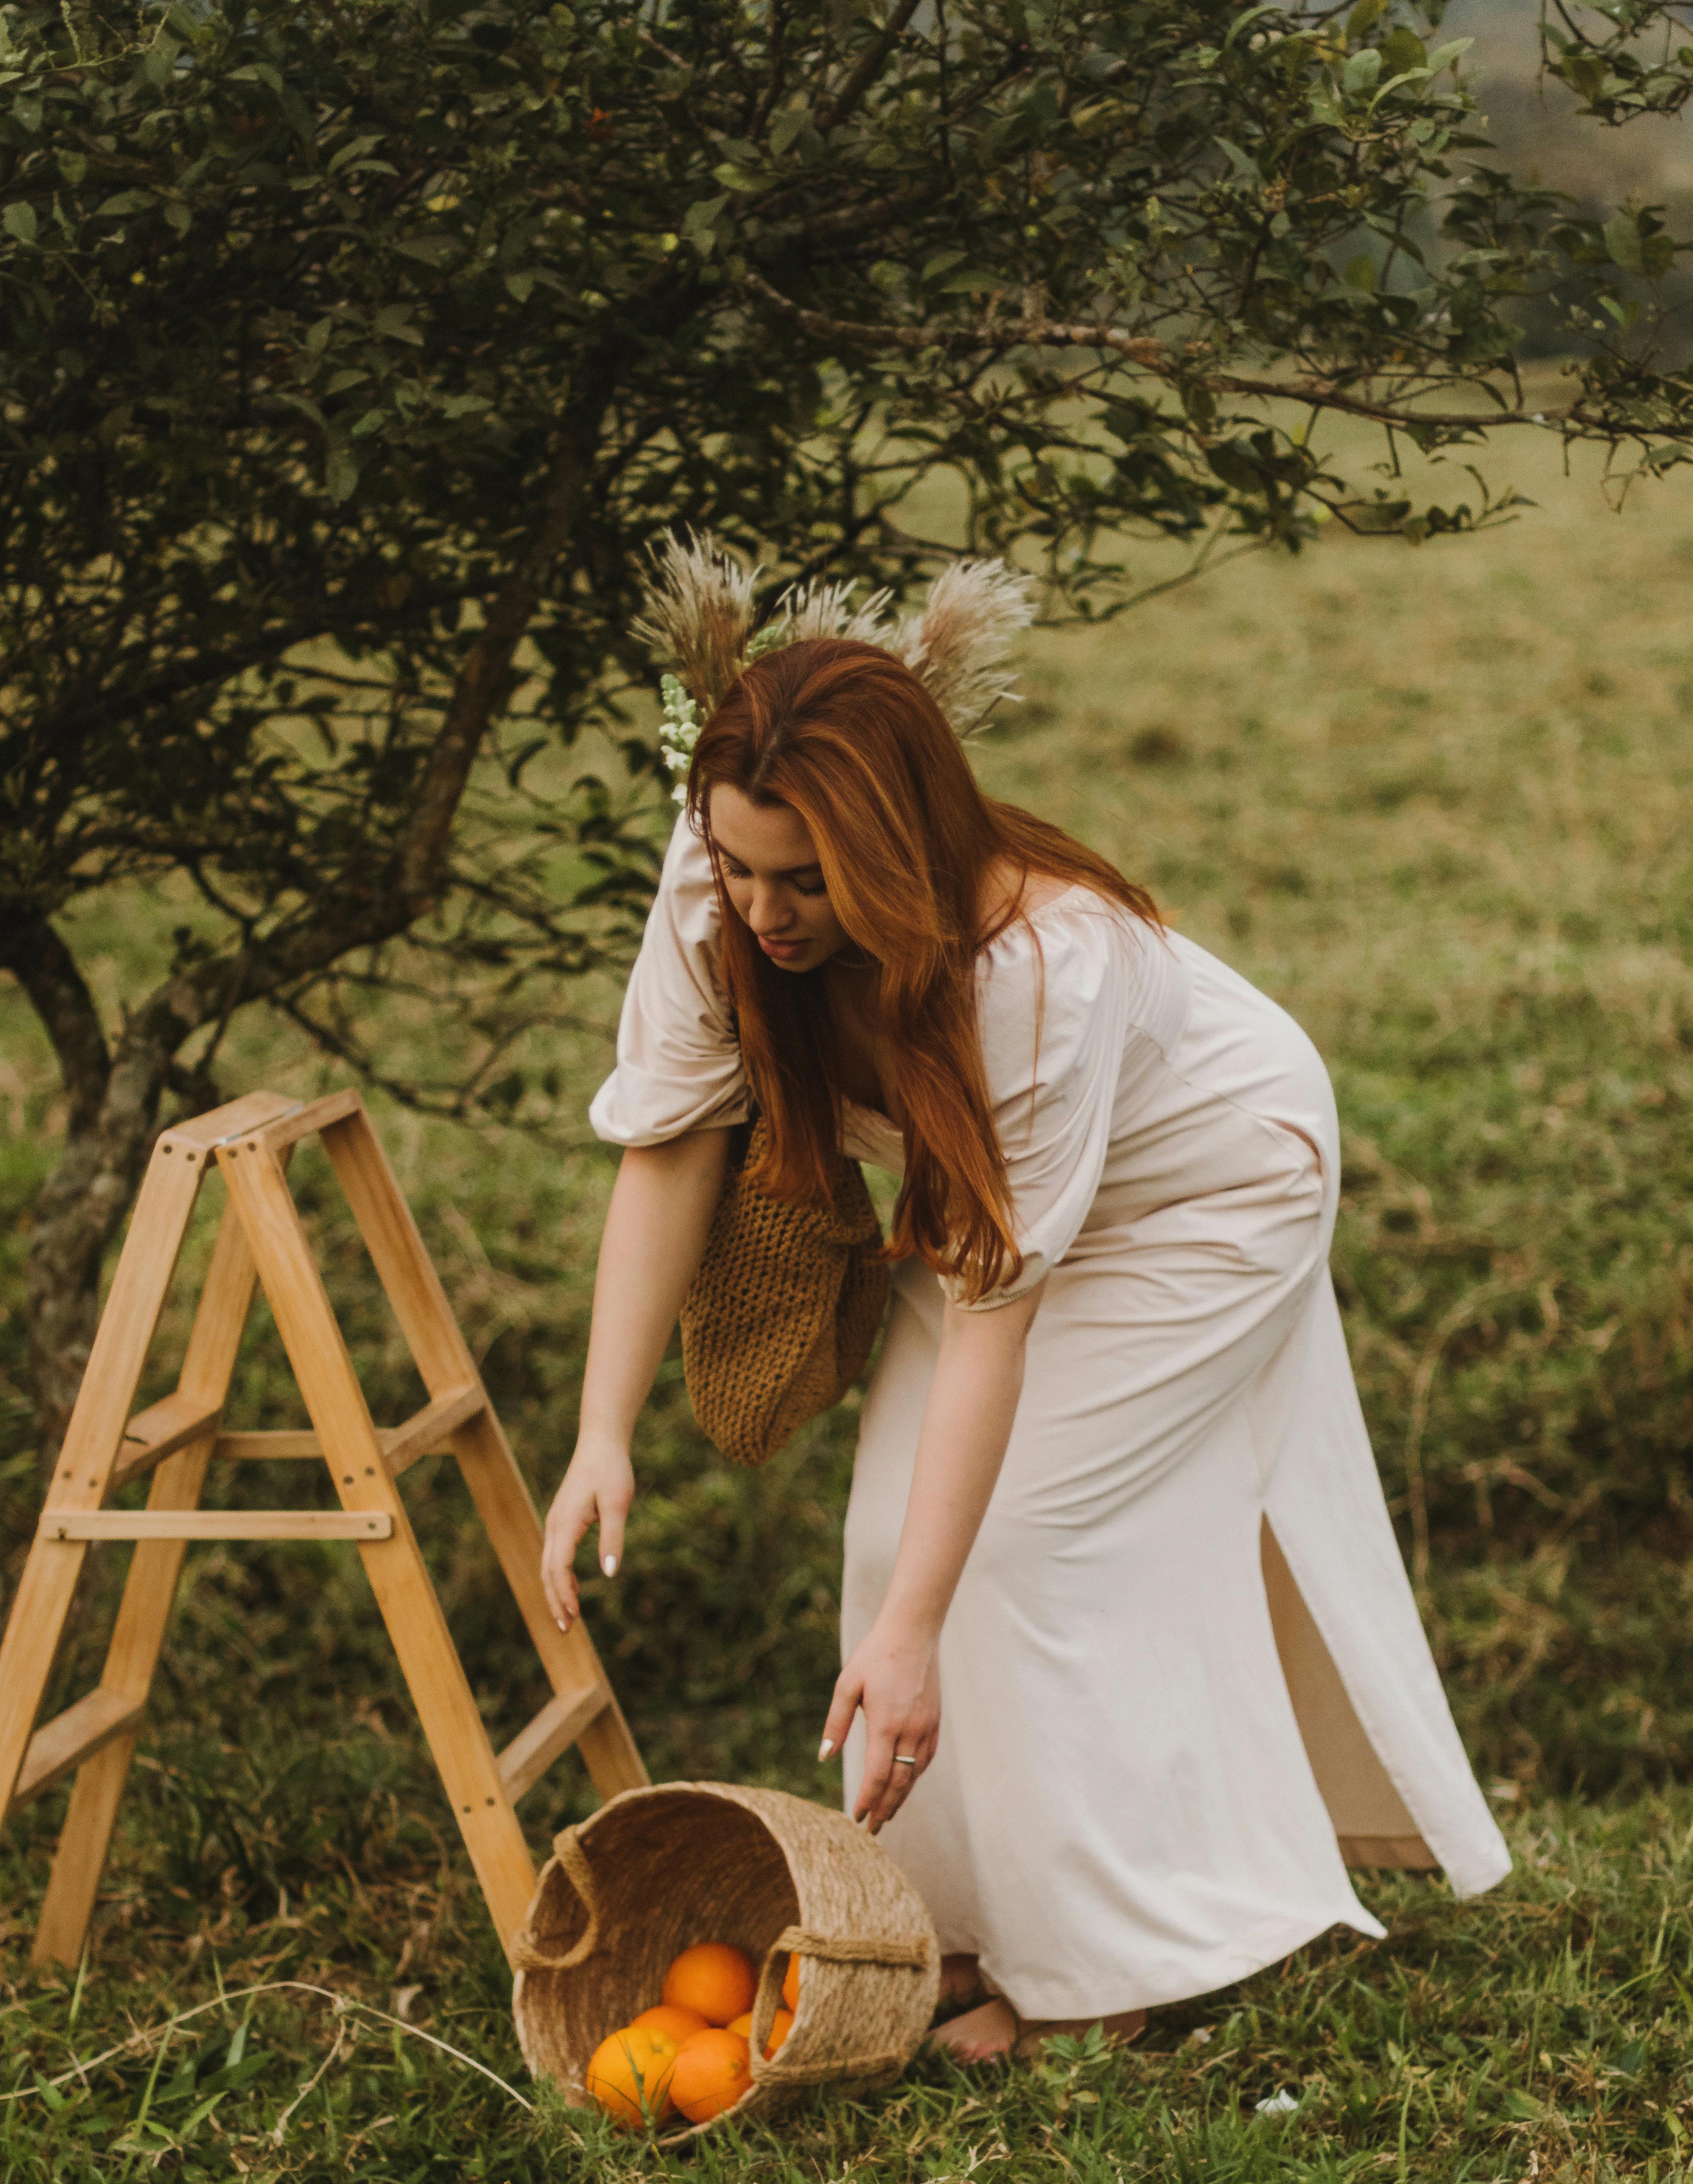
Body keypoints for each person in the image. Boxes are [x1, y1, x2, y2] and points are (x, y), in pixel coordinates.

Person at [540, 634, 1509, 2062]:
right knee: (892, 1548)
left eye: (805, 881)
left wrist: (927, 1628)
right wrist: (601, 1429)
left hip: (1205, 1187)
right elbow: (672, 1142)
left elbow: (994, 1319)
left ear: (899, 844)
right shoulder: (718, 889)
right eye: (741, 868)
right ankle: (949, 1942)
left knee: (1018, 1546)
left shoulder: (1038, 968)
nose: (764, 913)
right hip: (991, 1201)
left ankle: (1093, 1981)